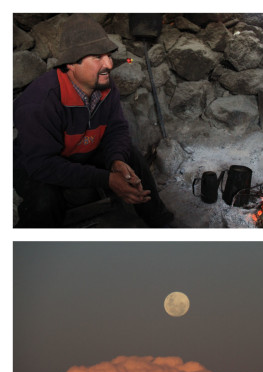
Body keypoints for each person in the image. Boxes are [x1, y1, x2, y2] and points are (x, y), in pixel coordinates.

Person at [14, 14, 173, 227]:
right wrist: (106, 179)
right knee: (44, 202)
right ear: (71, 63)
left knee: (131, 158)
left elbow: (116, 128)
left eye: (108, 55)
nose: (108, 63)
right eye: (97, 57)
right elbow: (42, 164)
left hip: (82, 150)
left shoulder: (105, 86)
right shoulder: (40, 102)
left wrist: (117, 161)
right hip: (41, 164)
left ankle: (160, 221)